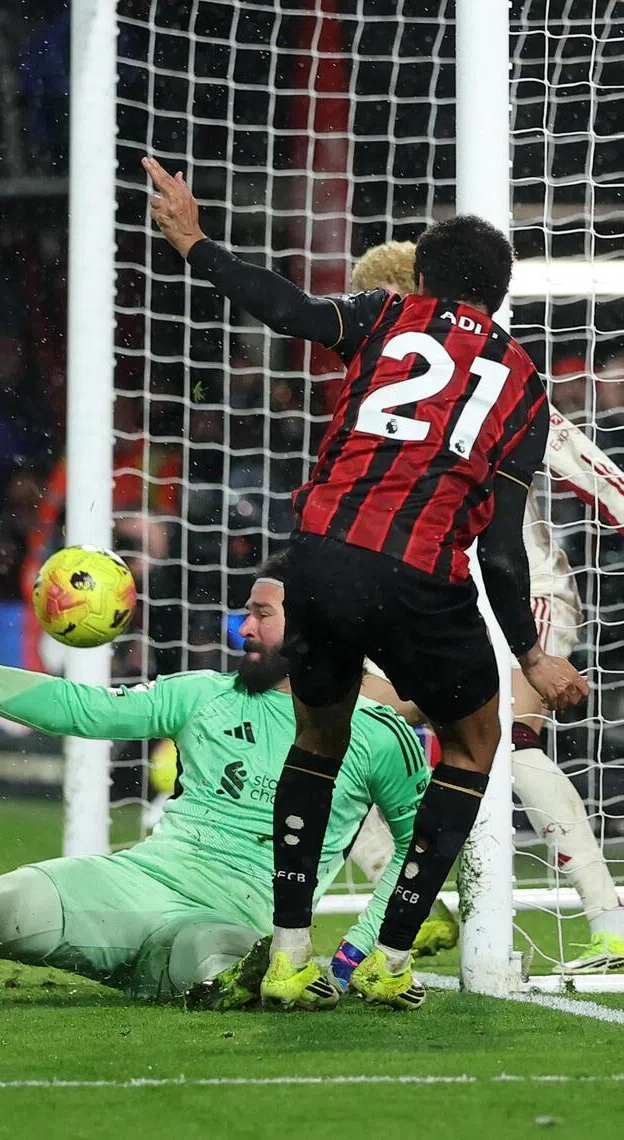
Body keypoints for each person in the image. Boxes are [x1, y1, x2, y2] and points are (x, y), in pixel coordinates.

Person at [142, 154, 587, 1011]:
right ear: (498, 297)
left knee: (317, 741)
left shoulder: (384, 316)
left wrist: (197, 243)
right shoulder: (525, 389)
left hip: (316, 557)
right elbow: (498, 547)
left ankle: (287, 956)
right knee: (472, 744)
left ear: (420, 277)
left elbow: (286, 308)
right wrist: (530, 656)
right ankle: (388, 955)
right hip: (419, 574)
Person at [0, 556, 429, 1010]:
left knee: (228, 966)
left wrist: (354, 955)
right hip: (129, 884)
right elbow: (79, 708)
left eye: (261, 614)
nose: (244, 629)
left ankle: (248, 982)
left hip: (232, 924)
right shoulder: (204, 695)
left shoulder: (379, 736)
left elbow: (419, 847)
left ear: (316, 624)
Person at [348, 241, 624, 974]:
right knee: (337, 722)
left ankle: (610, 920)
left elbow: (590, 469)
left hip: (523, 592)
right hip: (429, 599)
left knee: (513, 738)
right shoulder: (382, 393)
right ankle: (413, 903)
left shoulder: (498, 377)